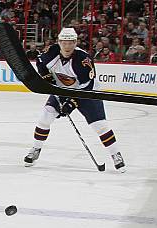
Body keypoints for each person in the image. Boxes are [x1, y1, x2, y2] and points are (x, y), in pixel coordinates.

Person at [24, 27, 125, 172]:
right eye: (64, 42)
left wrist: (71, 104)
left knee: (100, 126)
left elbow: (87, 86)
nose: (67, 46)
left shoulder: (83, 59)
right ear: (59, 42)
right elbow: (40, 62)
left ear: (75, 42)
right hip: (61, 91)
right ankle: (35, 149)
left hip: (88, 93)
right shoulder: (51, 52)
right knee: (45, 117)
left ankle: (116, 154)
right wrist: (47, 77)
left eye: (71, 42)